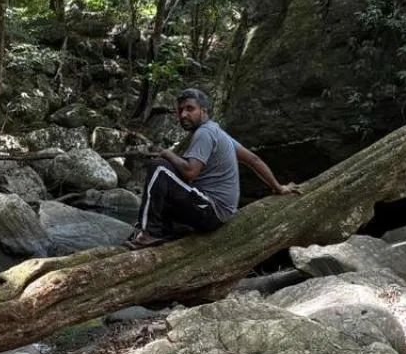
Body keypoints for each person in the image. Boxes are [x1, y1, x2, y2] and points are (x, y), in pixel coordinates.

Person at [128, 87, 299, 248]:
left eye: (189, 109)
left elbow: (190, 173)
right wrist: (278, 187)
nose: (183, 114)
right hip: (217, 212)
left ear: (204, 111)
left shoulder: (205, 133)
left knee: (159, 167)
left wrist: (168, 154)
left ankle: (148, 233)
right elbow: (253, 160)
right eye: (180, 110)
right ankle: (169, 230)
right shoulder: (218, 133)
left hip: (211, 211)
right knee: (165, 177)